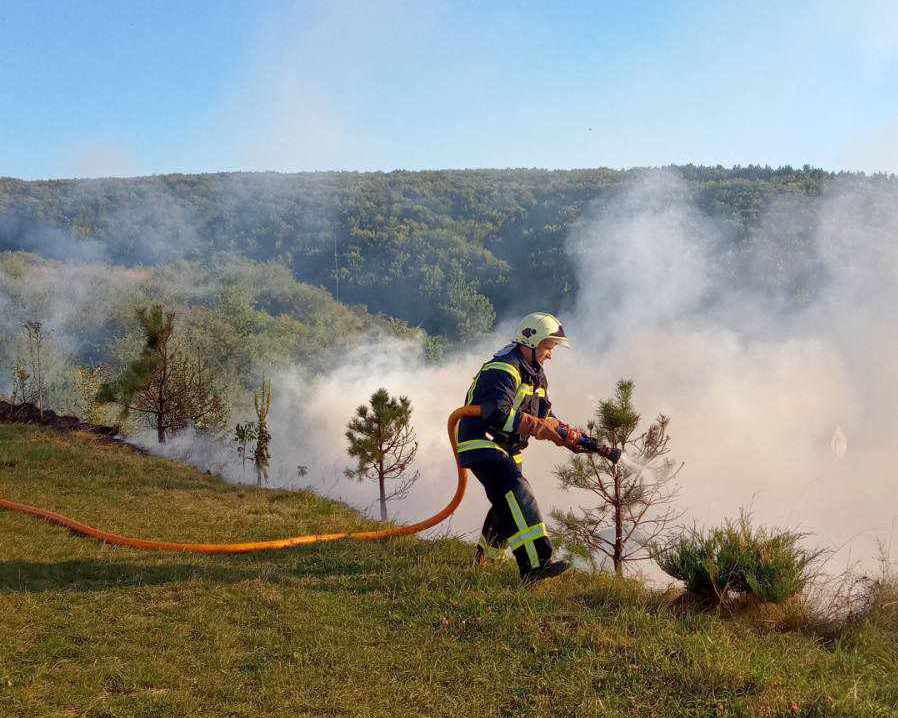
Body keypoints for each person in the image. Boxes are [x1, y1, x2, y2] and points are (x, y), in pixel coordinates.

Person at [457, 312, 600, 585]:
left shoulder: (535, 374)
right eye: (548, 348)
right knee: (517, 491)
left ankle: (486, 560)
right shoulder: (504, 369)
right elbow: (495, 413)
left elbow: (543, 413)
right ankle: (535, 564)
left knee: (504, 504)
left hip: (507, 447)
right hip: (482, 441)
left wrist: (568, 434)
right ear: (531, 342)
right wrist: (533, 425)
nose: (550, 355)